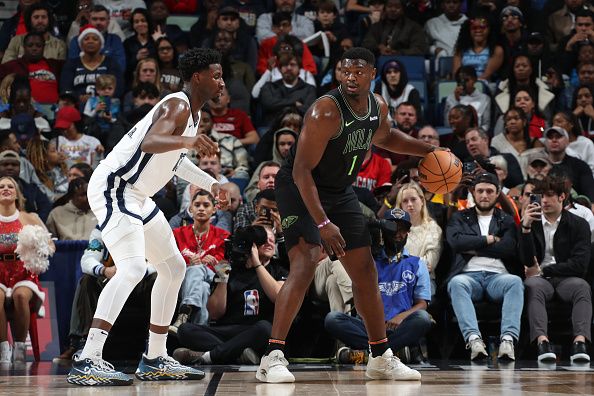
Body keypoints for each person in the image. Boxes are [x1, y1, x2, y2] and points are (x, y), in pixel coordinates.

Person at [257, 47, 442, 383]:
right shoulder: (325, 112)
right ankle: (272, 356)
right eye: (344, 72)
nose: (350, 78)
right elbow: (301, 171)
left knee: (365, 270)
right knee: (306, 260)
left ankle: (380, 355)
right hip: (300, 185)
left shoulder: (378, 107)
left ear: (373, 74)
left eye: (358, 72)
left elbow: (387, 137)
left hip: (339, 189)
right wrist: (324, 224)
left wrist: (429, 149)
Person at [66, 48, 226, 386]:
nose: (221, 81)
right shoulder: (178, 105)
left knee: (174, 267)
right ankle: (88, 357)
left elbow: (175, 161)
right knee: (134, 268)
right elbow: (151, 143)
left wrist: (211, 184)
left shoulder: (191, 113)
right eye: (216, 75)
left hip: (138, 195)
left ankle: (155, 357)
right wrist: (189, 139)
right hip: (115, 187)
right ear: (198, 76)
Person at [325, 208, 432, 364]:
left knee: (422, 318)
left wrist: (400, 317)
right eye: (393, 228)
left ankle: (368, 354)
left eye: (402, 230)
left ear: (408, 232)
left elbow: (422, 304)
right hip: (369, 326)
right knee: (332, 319)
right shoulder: (369, 261)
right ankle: (395, 351)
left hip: (399, 326)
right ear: (383, 231)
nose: (397, 234)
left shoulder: (417, 264)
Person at [173, 226, 288, 365]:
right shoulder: (230, 269)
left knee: (265, 329)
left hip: (255, 331)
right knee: (185, 330)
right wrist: (223, 279)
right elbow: (215, 313)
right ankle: (237, 353)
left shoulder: (278, 269)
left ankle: (209, 356)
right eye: (265, 241)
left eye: (272, 240)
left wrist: (257, 263)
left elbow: (278, 297)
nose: (269, 243)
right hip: (229, 329)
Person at [445, 172, 524, 361]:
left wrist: (473, 248)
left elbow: (508, 248)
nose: (484, 195)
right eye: (480, 191)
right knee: (456, 283)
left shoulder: (505, 220)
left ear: (497, 194)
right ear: (473, 192)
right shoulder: (460, 217)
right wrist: (489, 239)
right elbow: (456, 243)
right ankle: (474, 340)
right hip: (469, 276)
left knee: (515, 282)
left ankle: (507, 340)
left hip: (498, 277)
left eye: (489, 191)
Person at [519, 176, 592, 363]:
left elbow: (580, 265)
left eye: (550, 195)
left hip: (564, 277)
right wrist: (525, 228)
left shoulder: (579, 224)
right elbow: (526, 260)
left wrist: (545, 271)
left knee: (582, 287)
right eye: (541, 195)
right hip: (540, 281)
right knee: (533, 287)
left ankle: (580, 342)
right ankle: (542, 342)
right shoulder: (532, 222)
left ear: (562, 197)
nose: (543, 200)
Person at [0, 176, 53, 364]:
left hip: (23, 272)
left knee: (20, 296)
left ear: (16, 193)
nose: (5, 189)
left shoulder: (29, 217)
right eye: (1, 186)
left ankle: (20, 349)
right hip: (0, 273)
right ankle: (3, 350)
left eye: (10, 186)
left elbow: (50, 246)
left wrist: (37, 246)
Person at [169, 190, 230, 332]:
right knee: (201, 286)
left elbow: (227, 266)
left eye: (206, 205)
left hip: (213, 279)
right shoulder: (178, 233)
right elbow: (169, 259)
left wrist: (216, 263)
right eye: (197, 205)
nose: (201, 208)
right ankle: (200, 331)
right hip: (184, 278)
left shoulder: (223, 235)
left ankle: (184, 314)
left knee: (199, 272)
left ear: (214, 209)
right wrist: (188, 263)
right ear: (191, 208)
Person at [394, 182, 443, 294]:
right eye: (405, 201)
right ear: (400, 205)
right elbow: (390, 262)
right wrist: (418, 262)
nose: (410, 204)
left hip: (425, 280)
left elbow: (430, 263)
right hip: (396, 279)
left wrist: (402, 262)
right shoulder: (394, 230)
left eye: (413, 199)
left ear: (422, 201)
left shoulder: (433, 228)